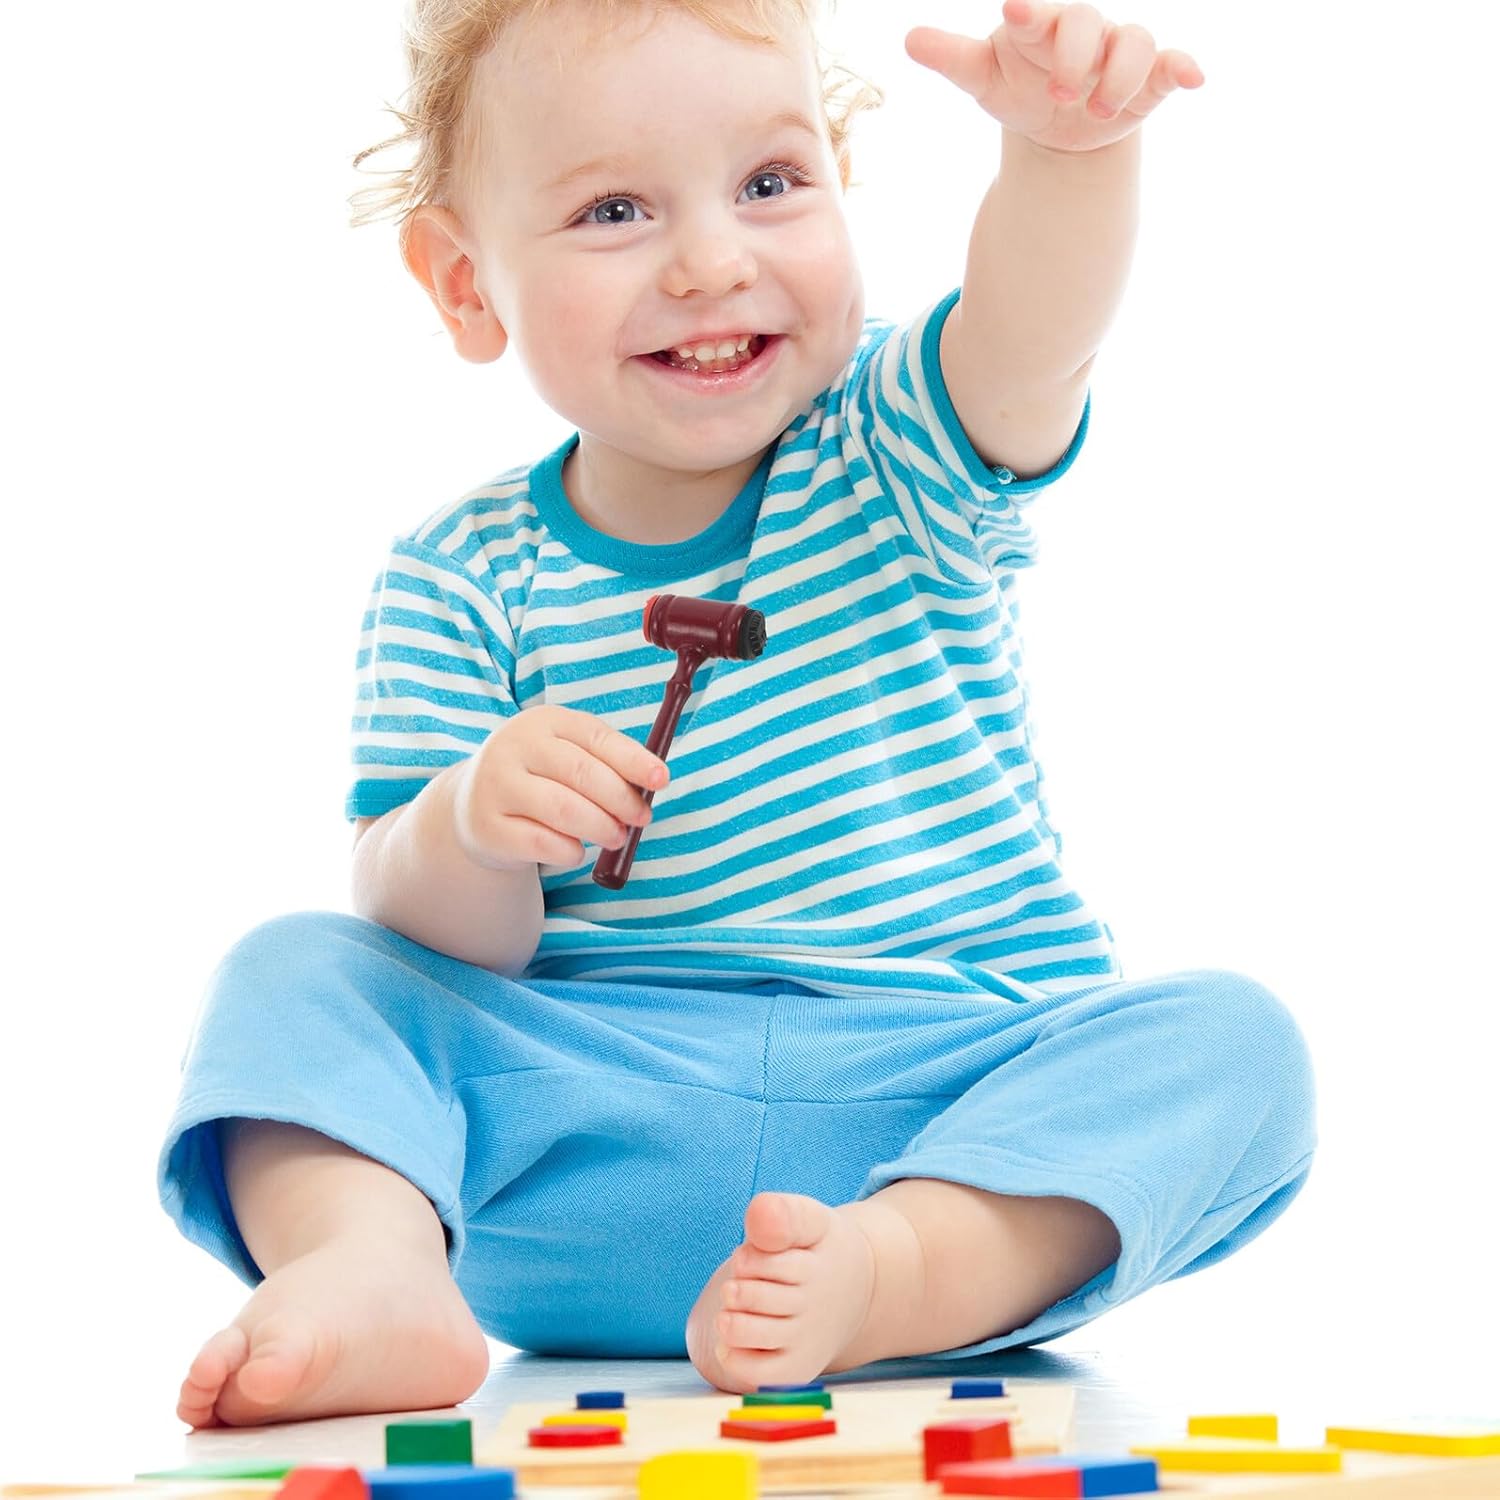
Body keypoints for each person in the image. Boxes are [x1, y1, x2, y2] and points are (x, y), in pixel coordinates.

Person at [159, 0, 1317, 1431]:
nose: (713, 262)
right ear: (467, 285)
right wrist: (466, 826)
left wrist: (1067, 157)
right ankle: (373, 1266)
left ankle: (891, 1277)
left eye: (770, 183)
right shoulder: (461, 575)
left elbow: (1033, 337)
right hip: (591, 1130)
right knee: (292, 973)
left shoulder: (896, 448)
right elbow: (433, 935)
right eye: (615, 210)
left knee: (1236, 1044)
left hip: (941, 1108)